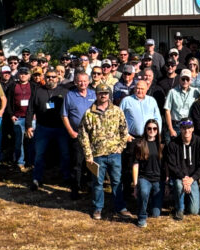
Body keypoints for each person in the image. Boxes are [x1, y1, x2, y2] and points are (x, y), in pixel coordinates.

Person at [80, 85, 131, 220]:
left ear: (109, 95)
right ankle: (98, 208)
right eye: (100, 93)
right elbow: (83, 135)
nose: (103, 95)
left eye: (106, 93)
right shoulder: (89, 113)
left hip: (115, 153)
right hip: (97, 155)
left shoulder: (117, 111)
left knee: (117, 181)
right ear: (96, 95)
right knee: (97, 183)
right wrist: (88, 155)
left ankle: (120, 207)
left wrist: (120, 147)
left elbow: (124, 130)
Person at [26, 70, 70, 192]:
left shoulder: (64, 92)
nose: (51, 79)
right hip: (43, 128)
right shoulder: (38, 91)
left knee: (65, 154)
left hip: (61, 128)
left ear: (58, 78)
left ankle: (66, 177)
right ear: (45, 78)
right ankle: (37, 179)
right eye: (48, 77)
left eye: (53, 77)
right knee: (39, 154)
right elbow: (30, 109)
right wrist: (28, 125)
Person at [165, 119, 200, 220]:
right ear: (180, 129)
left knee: (194, 211)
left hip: (193, 178)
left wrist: (191, 179)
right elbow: (172, 166)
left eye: (189, 128)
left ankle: (186, 200)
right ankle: (179, 208)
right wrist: (183, 178)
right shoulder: (173, 144)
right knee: (178, 185)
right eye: (184, 128)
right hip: (179, 177)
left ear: (193, 129)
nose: (186, 131)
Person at [62, 70, 96, 199]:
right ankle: (75, 189)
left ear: (88, 82)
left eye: (85, 81)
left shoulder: (93, 94)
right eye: (80, 81)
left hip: (92, 136)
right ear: (76, 82)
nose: (82, 83)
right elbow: (64, 115)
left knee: (91, 163)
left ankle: (91, 187)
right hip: (77, 135)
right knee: (77, 163)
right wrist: (71, 132)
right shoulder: (70, 95)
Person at [130, 120, 164, 227]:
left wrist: (166, 182)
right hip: (144, 177)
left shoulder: (161, 145)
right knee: (144, 192)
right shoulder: (139, 144)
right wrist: (135, 185)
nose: (152, 131)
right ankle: (141, 217)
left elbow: (166, 165)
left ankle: (148, 204)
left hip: (158, 179)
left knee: (155, 214)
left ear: (157, 130)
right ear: (145, 129)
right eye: (149, 128)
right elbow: (135, 165)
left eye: (154, 128)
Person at [7, 66, 34, 173]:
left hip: (31, 118)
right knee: (19, 142)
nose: (23, 75)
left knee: (31, 141)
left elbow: (35, 100)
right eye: (21, 73)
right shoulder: (13, 86)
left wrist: (35, 113)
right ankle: (20, 162)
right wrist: (11, 115)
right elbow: (9, 102)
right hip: (18, 117)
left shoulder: (33, 86)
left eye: (25, 73)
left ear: (29, 75)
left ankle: (31, 161)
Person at [164, 69, 200, 139]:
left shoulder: (196, 92)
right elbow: (167, 111)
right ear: (179, 79)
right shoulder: (172, 92)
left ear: (191, 80)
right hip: (176, 125)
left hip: (189, 125)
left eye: (187, 79)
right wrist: (171, 129)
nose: (185, 81)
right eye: (183, 79)